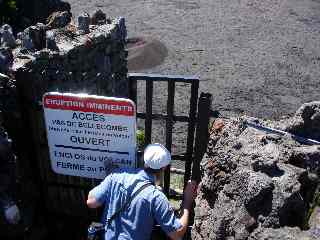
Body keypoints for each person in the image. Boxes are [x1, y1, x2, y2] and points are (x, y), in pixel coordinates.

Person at [87, 143, 198, 240]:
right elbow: (177, 234)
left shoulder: (116, 175)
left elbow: (91, 202)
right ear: (164, 168)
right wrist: (187, 202)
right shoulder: (156, 197)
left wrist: (109, 180)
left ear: (143, 159)